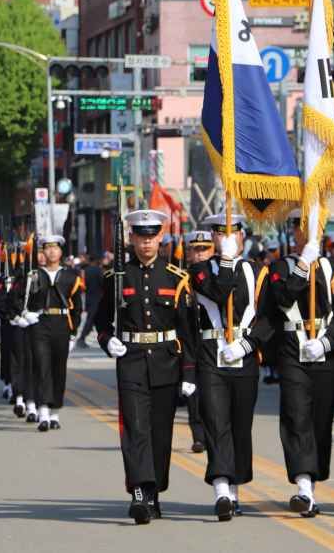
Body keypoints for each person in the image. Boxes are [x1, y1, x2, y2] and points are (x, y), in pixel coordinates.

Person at [94, 209, 196, 525]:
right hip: (132, 360)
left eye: (152, 237)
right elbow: (101, 319)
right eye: (141, 237)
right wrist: (107, 340)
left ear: (161, 237)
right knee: (135, 429)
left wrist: (189, 372)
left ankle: (154, 493)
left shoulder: (176, 278)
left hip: (166, 362)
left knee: (160, 434)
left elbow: (187, 330)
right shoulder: (116, 277)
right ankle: (139, 492)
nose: (147, 243)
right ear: (132, 239)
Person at [261, 210, 334, 518]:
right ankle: (304, 485)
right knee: (297, 416)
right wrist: (302, 265)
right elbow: (283, 298)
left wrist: (326, 342)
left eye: (314, 227)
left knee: (320, 421)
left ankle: (314, 478)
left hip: (324, 350)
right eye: (302, 227)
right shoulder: (280, 267)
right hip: (293, 350)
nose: (308, 232)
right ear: (294, 231)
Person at [189, 213, 268, 521]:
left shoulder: (258, 272)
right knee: (216, 418)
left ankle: (235, 486)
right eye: (220, 235)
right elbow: (220, 294)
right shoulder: (199, 271)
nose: (226, 240)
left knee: (240, 423)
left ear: (242, 238)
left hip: (244, 354)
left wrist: (248, 345)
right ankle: (221, 487)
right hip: (212, 352)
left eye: (231, 234)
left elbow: (268, 318)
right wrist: (224, 261)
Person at [24, 236, 83, 432]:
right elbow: (23, 301)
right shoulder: (33, 275)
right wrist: (26, 314)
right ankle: (43, 412)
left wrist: (73, 334)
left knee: (59, 369)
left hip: (61, 325)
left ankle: (55, 411)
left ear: (61, 252)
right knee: (42, 366)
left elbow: (77, 309)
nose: (51, 252)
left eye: (54, 248)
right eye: (47, 248)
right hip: (40, 324)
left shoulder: (71, 277)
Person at [183, 230, 214, 454]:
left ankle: (213, 433)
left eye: (205, 249)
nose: (201, 254)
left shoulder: (218, 275)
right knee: (192, 392)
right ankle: (199, 436)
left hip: (213, 341)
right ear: (188, 253)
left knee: (212, 395)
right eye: (196, 249)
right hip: (190, 340)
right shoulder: (181, 279)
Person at [76, 254, 104, 347]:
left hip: (89, 297)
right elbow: (103, 283)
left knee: (93, 320)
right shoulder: (98, 270)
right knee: (91, 320)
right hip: (98, 298)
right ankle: (82, 338)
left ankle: (85, 338)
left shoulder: (85, 271)